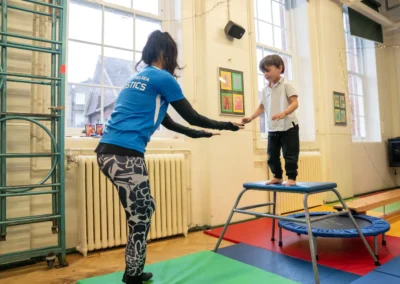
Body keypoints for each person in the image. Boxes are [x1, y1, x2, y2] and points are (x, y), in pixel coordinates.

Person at [94, 30, 243, 284]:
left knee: (144, 208)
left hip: (107, 153)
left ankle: (135, 269)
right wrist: (227, 125)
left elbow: (170, 122)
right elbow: (192, 116)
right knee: (140, 216)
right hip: (125, 155)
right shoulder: (162, 78)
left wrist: (203, 135)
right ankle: (133, 275)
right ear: (166, 53)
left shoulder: (139, 78)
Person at [242, 54, 299, 186]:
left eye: (268, 70)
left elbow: (294, 103)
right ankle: (277, 176)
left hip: (289, 126)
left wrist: (284, 113)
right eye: (263, 72)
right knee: (272, 156)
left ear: (279, 68)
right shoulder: (265, 89)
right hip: (273, 127)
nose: (265, 74)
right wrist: (250, 117)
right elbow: (261, 107)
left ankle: (291, 178)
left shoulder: (287, 85)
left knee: (289, 155)